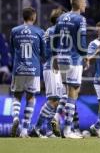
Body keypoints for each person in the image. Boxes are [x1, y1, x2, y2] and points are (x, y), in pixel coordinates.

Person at [52, 0, 87, 139]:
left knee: (68, 90)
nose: (85, 5)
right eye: (84, 3)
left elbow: (55, 38)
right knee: (74, 90)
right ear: (78, 4)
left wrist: (54, 56)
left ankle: (57, 117)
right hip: (73, 58)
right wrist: (85, 56)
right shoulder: (80, 19)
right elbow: (82, 41)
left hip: (61, 57)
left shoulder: (61, 18)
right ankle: (67, 129)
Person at [10, 7, 45, 138]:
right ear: (34, 17)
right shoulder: (39, 31)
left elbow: (13, 50)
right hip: (33, 69)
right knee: (31, 97)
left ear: (23, 17)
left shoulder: (14, 31)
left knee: (17, 95)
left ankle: (15, 118)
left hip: (18, 68)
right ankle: (24, 130)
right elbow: (44, 52)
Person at [33, 8, 66, 138]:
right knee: (53, 100)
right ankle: (36, 128)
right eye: (63, 17)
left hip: (52, 65)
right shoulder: (54, 31)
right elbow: (53, 49)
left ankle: (47, 130)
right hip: (52, 66)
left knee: (56, 100)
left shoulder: (52, 30)